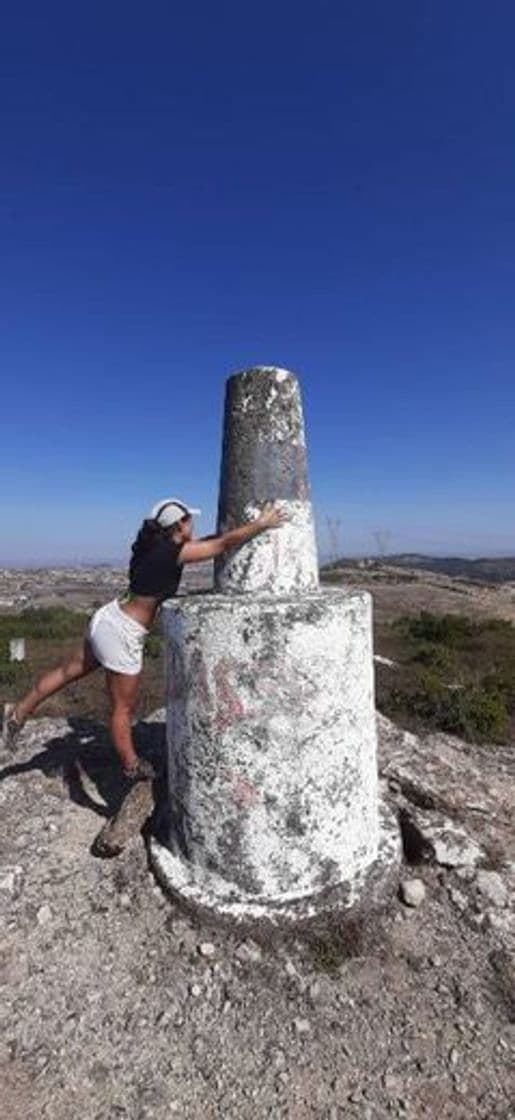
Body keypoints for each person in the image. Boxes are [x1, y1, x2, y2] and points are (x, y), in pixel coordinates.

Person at [2, 498, 285, 780]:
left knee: (67, 672)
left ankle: (18, 713)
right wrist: (262, 524)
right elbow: (221, 545)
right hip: (123, 632)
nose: (193, 524)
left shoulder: (149, 548)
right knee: (123, 708)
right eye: (189, 520)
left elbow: (213, 540)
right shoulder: (174, 552)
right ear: (179, 525)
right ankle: (131, 765)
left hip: (107, 616)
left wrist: (229, 532)